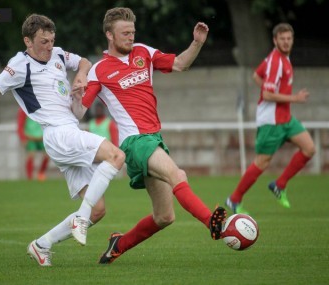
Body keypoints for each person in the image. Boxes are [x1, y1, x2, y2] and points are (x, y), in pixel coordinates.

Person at [0, 14, 125, 267]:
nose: (49, 46)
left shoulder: (59, 55)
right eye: (43, 42)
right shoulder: (19, 65)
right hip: (58, 133)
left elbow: (84, 61)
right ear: (27, 41)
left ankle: (42, 245)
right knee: (116, 156)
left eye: (52, 40)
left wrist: (81, 76)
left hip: (69, 131)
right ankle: (80, 218)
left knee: (98, 210)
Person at [71, 7, 226, 264]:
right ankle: (212, 222)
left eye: (132, 32)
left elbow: (180, 64)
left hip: (154, 139)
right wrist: (76, 96)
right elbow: (78, 113)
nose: (131, 37)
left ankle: (118, 245)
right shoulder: (99, 70)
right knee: (178, 175)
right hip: (135, 142)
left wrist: (197, 43)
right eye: (125, 33)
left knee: (164, 216)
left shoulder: (144, 52)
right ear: (109, 35)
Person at [225, 23, 315, 214]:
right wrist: (295, 98)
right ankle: (234, 199)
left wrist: (271, 88)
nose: (286, 42)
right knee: (262, 163)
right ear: (275, 40)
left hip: (285, 118)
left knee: (309, 148)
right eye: (282, 39)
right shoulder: (276, 62)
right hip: (271, 122)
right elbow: (267, 95)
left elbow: (256, 76)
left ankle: (279, 185)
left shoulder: (280, 58)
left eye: (289, 38)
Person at [17, 107, 49, 181]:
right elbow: (20, 124)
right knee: (31, 154)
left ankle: (41, 173)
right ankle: (30, 177)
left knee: (47, 154)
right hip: (30, 137)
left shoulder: (43, 106)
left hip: (41, 137)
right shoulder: (23, 108)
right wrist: (22, 138)